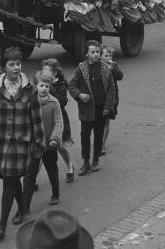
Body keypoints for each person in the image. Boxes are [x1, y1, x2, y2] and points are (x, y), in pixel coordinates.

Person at [0, 46, 45, 240]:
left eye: (18, 64)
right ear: (4, 67)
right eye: (11, 64)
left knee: (9, 180)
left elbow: (36, 119)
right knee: (11, 178)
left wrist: (39, 144)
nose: (16, 68)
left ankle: (2, 224)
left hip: (21, 145)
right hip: (1, 144)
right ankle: (22, 207)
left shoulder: (30, 91)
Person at [68, 40, 116, 176]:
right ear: (86, 54)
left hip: (101, 109)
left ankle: (95, 160)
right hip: (86, 110)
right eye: (93, 52)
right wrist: (79, 95)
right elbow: (71, 85)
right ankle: (86, 161)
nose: (96, 55)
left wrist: (108, 107)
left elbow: (111, 89)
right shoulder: (81, 69)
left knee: (98, 135)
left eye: (98, 52)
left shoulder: (105, 69)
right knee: (85, 135)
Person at [22, 70, 64, 212]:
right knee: (30, 174)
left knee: (51, 169)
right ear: (36, 86)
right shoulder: (30, 101)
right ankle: (25, 205)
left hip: (49, 145)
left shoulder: (54, 103)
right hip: (34, 144)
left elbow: (59, 123)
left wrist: (54, 139)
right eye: (41, 85)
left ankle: (55, 193)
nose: (44, 89)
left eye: (47, 86)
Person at [41, 58, 75, 183]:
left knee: (61, 148)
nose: (43, 75)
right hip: (45, 120)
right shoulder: (42, 84)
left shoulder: (60, 85)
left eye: (46, 72)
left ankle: (69, 166)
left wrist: (50, 89)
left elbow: (62, 102)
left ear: (54, 73)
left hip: (59, 120)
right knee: (42, 149)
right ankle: (33, 178)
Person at [100, 45, 122, 155]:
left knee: (106, 122)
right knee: (97, 122)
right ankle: (98, 141)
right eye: (105, 55)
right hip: (99, 98)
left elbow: (120, 76)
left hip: (110, 99)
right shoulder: (97, 66)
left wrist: (113, 69)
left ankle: (102, 144)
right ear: (100, 56)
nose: (108, 57)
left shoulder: (113, 65)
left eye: (110, 55)